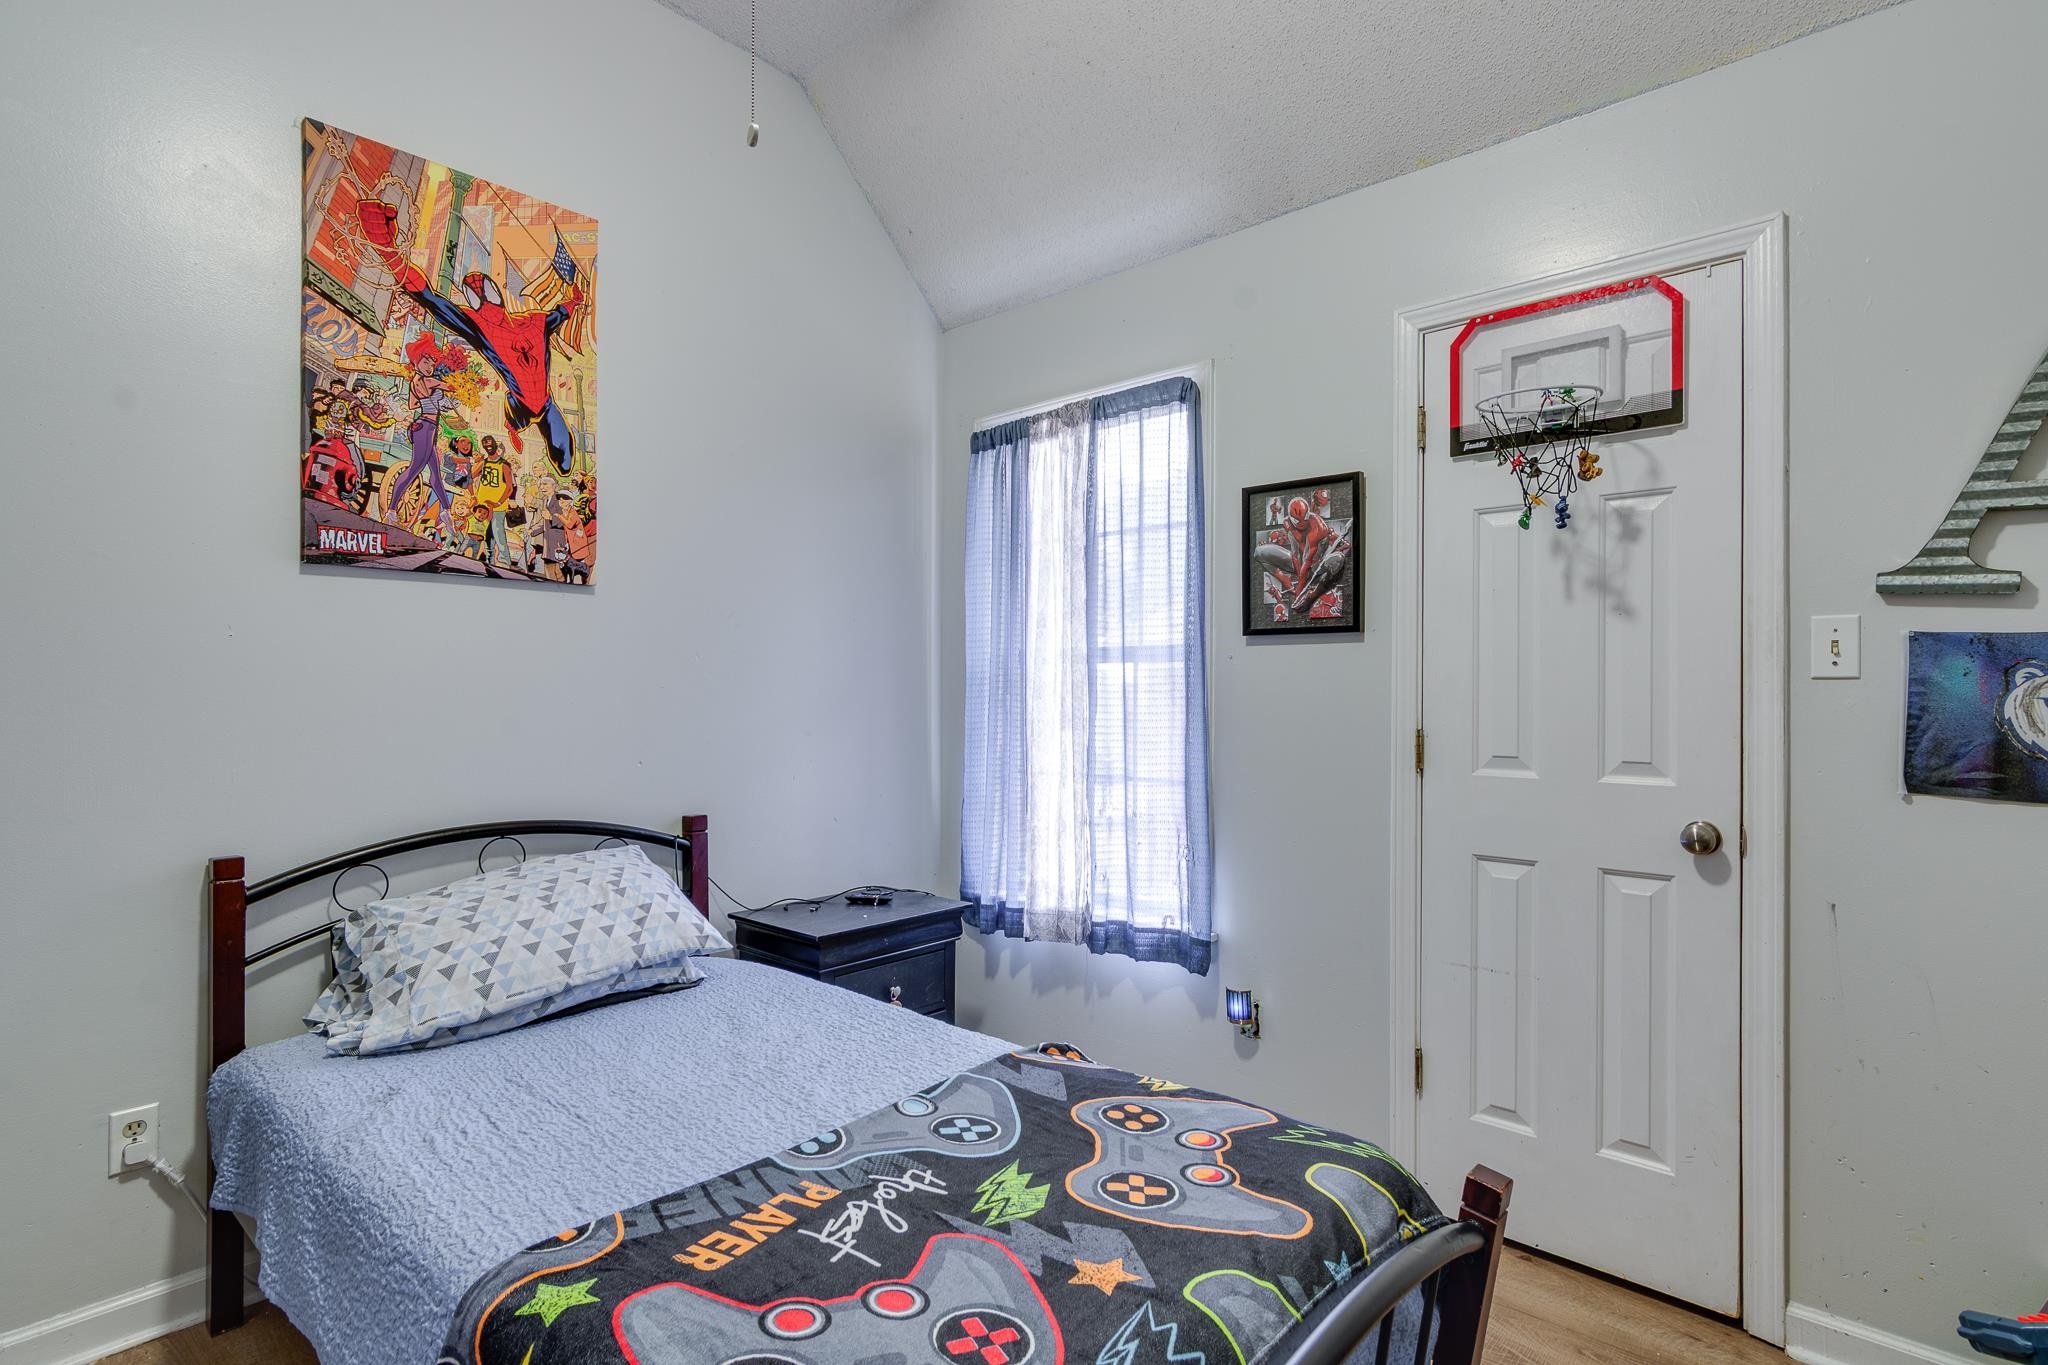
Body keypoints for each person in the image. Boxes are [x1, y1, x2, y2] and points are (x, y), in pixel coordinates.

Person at [357, 199, 585, 474]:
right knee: (558, 454)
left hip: (545, 402)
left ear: (496, 293)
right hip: (522, 403)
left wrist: (574, 301)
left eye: (485, 292)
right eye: (478, 296)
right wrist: (390, 252)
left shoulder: (533, 321)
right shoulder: (481, 324)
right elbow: (429, 297)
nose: (484, 300)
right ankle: (513, 427)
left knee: (565, 461)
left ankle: (515, 428)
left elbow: (559, 313)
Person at [471, 435, 519, 570]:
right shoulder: (484, 463)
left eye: (490, 443)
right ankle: (489, 560)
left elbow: (509, 487)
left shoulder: (504, 465)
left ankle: (505, 560)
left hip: (498, 506)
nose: (489, 446)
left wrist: (498, 503)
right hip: (483, 506)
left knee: (498, 533)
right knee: (487, 535)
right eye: (485, 444)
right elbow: (470, 477)